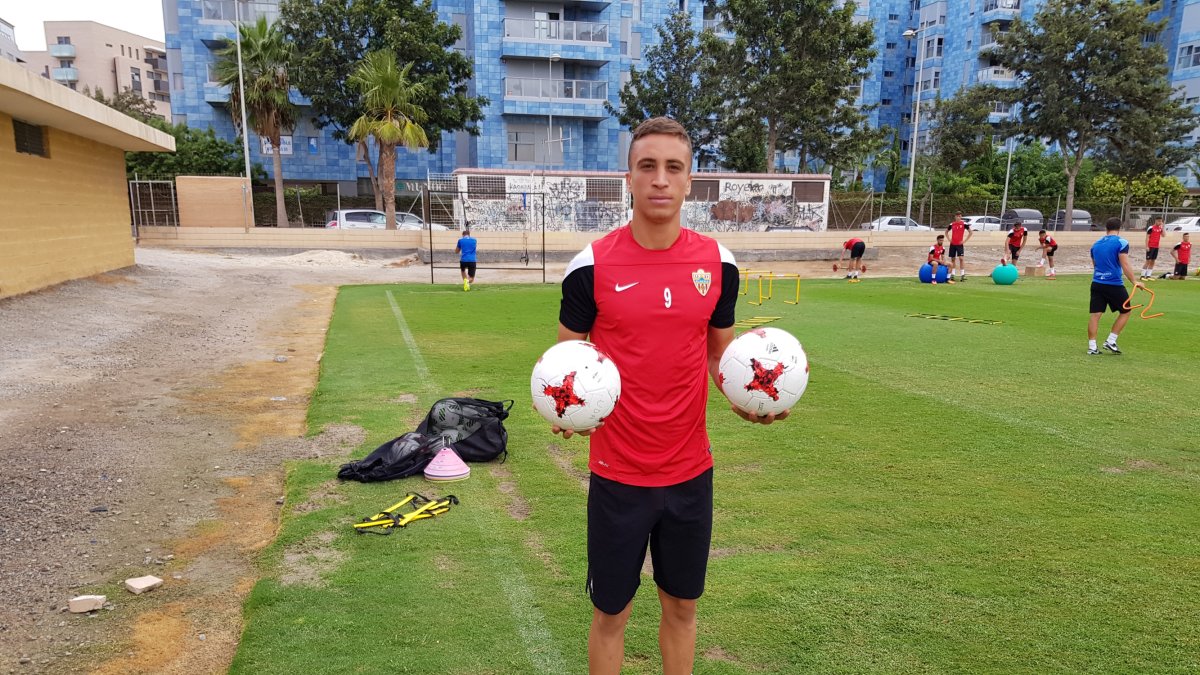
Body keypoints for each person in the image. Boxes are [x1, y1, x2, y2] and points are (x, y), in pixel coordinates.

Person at [554, 116, 786, 675]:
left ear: (689, 182)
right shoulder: (590, 267)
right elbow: (568, 362)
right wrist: (566, 410)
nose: (660, 179)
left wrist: (742, 396)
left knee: (682, 606)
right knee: (612, 611)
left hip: (689, 472)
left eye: (672, 168)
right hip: (617, 474)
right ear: (628, 179)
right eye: (647, 166)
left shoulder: (719, 265)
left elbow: (719, 356)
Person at [1088, 217, 1145, 355]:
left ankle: (1092, 347)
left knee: (1095, 315)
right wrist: (1134, 281)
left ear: (1106, 228)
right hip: (1113, 284)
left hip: (1097, 283)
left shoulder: (1096, 244)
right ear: (1120, 228)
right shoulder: (1121, 242)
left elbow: (1095, 265)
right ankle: (1111, 340)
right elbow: (1124, 263)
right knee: (1126, 311)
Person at [945, 211, 971, 282]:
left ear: (961, 217)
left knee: (961, 258)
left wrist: (964, 241)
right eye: (957, 216)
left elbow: (970, 232)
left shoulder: (964, 224)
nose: (958, 217)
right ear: (955, 217)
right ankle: (953, 274)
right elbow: (946, 232)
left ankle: (962, 275)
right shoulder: (952, 224)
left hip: (959, 244)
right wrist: (949, 239)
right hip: (953, 244)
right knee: (953, 259)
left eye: (960, 216)